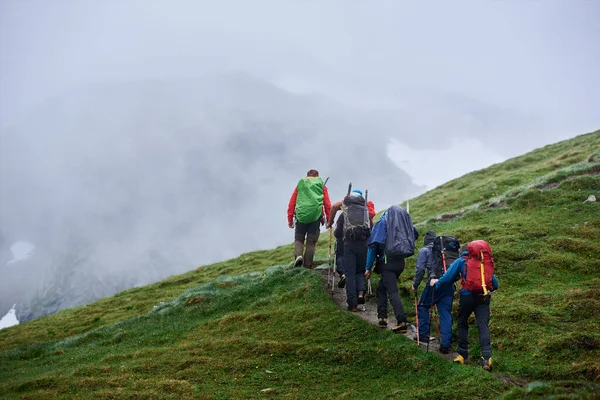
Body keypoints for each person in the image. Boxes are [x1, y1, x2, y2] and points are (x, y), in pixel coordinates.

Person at [430, 240, 499, 371]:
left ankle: (463, 355)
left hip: (467, 297)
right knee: (483, 325)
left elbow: (447, 278)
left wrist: (436, 284)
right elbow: (495, 283)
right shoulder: (484, 263)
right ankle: (486, 358)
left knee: (462, 322)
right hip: (483, 297)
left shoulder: (462, 261)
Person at [365, 205, 419, 333]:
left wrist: (368, 267)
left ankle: (402, 322)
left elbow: (373, 248)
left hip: (386, 263)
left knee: (392, 292)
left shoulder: (383, 223)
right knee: (381, 288)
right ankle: (382, 318)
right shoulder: (403, 223)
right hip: (400, 263)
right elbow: (415, 234)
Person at [412, 230, 456, 353]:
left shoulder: (425, 251)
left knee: (423, 306)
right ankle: (445, 345)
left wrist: (415, 285)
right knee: (445, 313)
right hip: (449, 283)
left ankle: (423, 335)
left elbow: (420, 270)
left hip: (434, 283)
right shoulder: (445, 251)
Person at [328, 194, 375, 289]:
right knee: (360, 268)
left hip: (346, 240)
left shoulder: (345, 210)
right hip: (362, 240)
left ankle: (343, 273)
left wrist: (331, 223)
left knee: (340, 255)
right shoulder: (365, 208)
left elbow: (337, 233)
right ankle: (361, 292)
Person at [287, 169, 331, 269]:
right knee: (311, 243)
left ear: (307, 176)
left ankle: (298, 257)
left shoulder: (301, 184)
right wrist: (329, 219)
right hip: (315, 218)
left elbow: (292, 202)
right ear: (317, 177)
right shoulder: (321, 185)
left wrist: (290, 219)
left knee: (299, 239)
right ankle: (307, 266)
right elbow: (327, 204)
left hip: (301, 217)